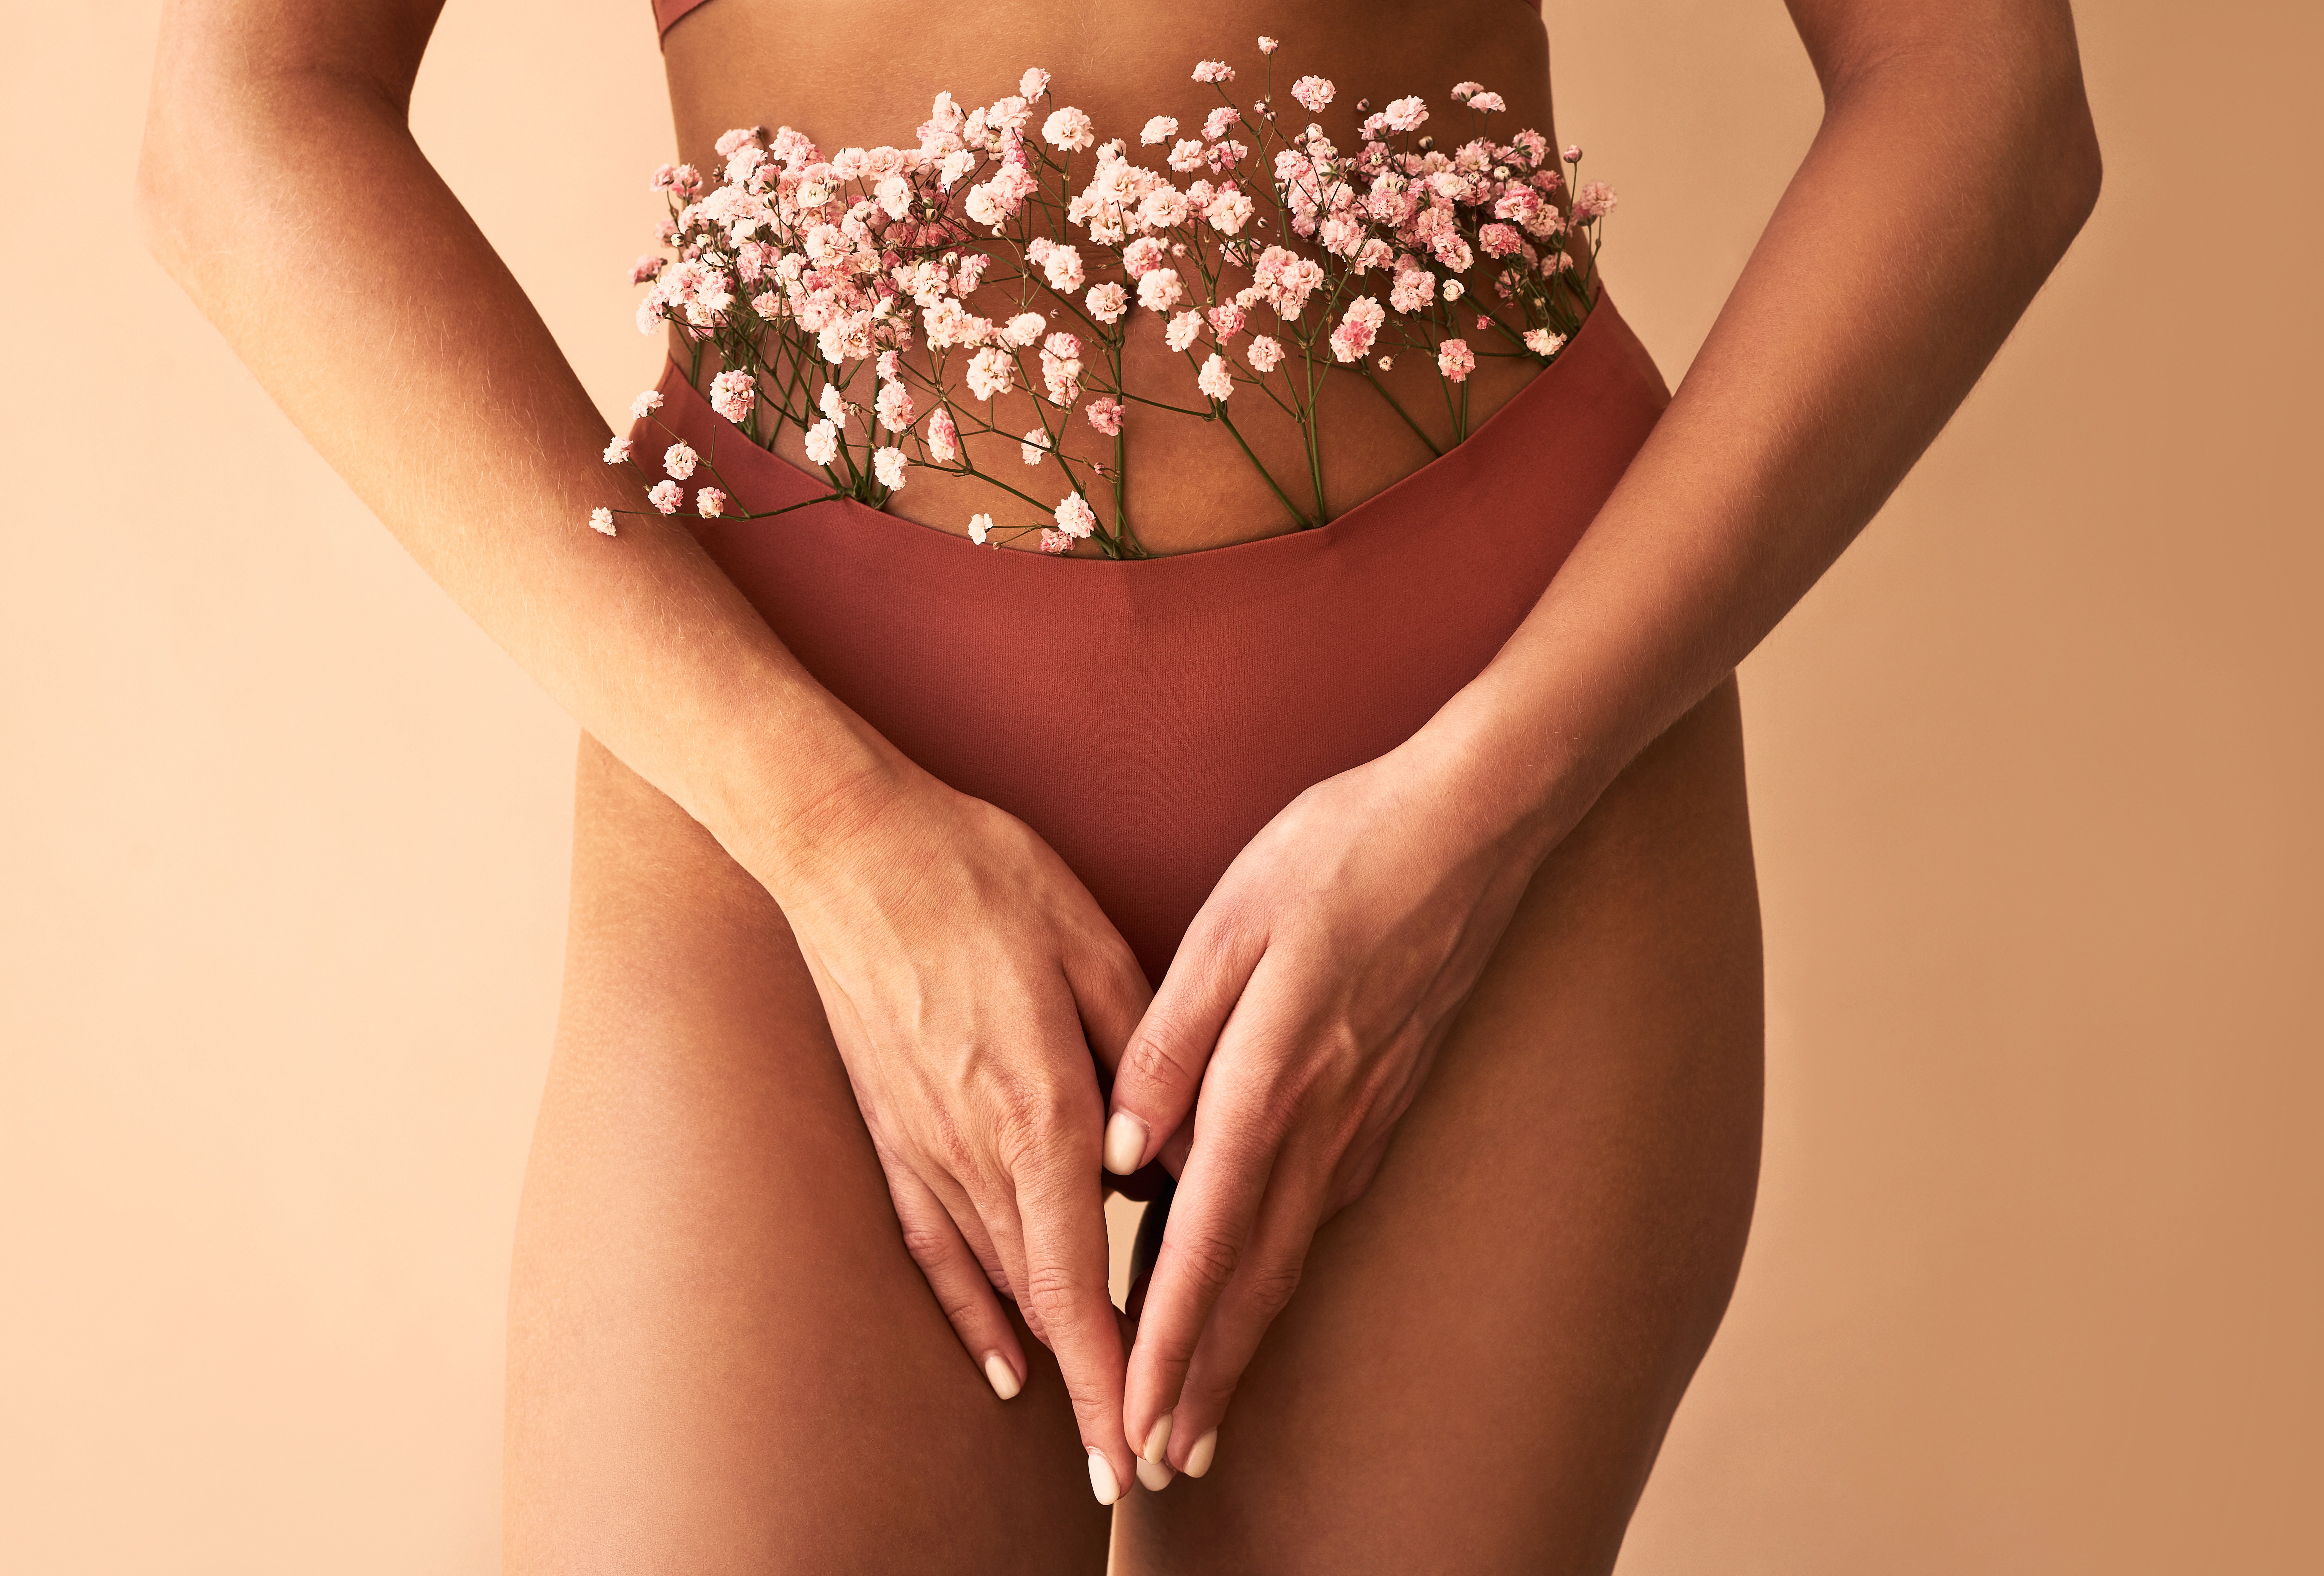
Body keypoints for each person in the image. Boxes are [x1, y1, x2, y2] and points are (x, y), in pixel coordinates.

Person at [138, 0, 2098, 1568]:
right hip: (795, 758)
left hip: (1506, 736)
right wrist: (828, 830)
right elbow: (247, 109)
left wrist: (1488, 805)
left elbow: (1980, 85)